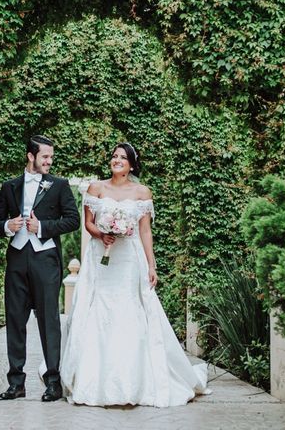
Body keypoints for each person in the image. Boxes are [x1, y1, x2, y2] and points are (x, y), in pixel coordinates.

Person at [60, 142, 210, 407]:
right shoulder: (96, 188)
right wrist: (102, 233)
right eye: (114, 156)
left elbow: (145, 232)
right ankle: (93, 381)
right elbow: (88, 224)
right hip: (100, 257)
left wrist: (151, 266)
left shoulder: (142, 192)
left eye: (123, 157)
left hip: (129, 259)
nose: (117, 160)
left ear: (131, 164)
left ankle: (135, 381)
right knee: (99, 310)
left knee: (129, 311)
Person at [0, 135, 80, 402]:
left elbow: (72, 220)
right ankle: (16, 382)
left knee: (49, 320)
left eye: (51, 157)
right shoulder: (9, 186)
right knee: (15, 320)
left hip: (46, 259)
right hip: (17, 258)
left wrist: (42, 227)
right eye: (45, 157)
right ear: (31, 156)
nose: (49, 161)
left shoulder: (59, 186)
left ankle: (53, 382)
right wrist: (8, 226)